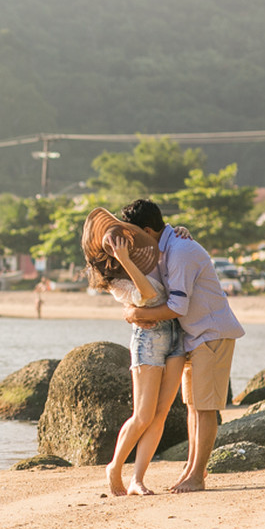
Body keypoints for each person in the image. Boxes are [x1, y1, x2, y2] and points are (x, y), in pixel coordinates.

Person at [120, 198, 244, 493]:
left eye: (135, 235)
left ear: (148, 230)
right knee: (192, 406)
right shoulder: (168, 247)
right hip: (195, 336)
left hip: (211, 333)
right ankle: (190, 471)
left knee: (205, 408)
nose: (134, 243)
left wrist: (138, 315)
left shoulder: (179, 251)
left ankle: (198, 476)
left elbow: (177, 305)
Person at [82, 208, 185, 496]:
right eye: (115, 242)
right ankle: (114, 467)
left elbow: (168, 247)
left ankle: (137, 480)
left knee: (161, 413)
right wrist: (123, 260)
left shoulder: (147, 255)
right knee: (143, 414)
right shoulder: (113, 280)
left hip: (177, 332)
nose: (122, 242)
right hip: (149, 337)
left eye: (122, 237)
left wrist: (182, 230)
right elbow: (148, 296)